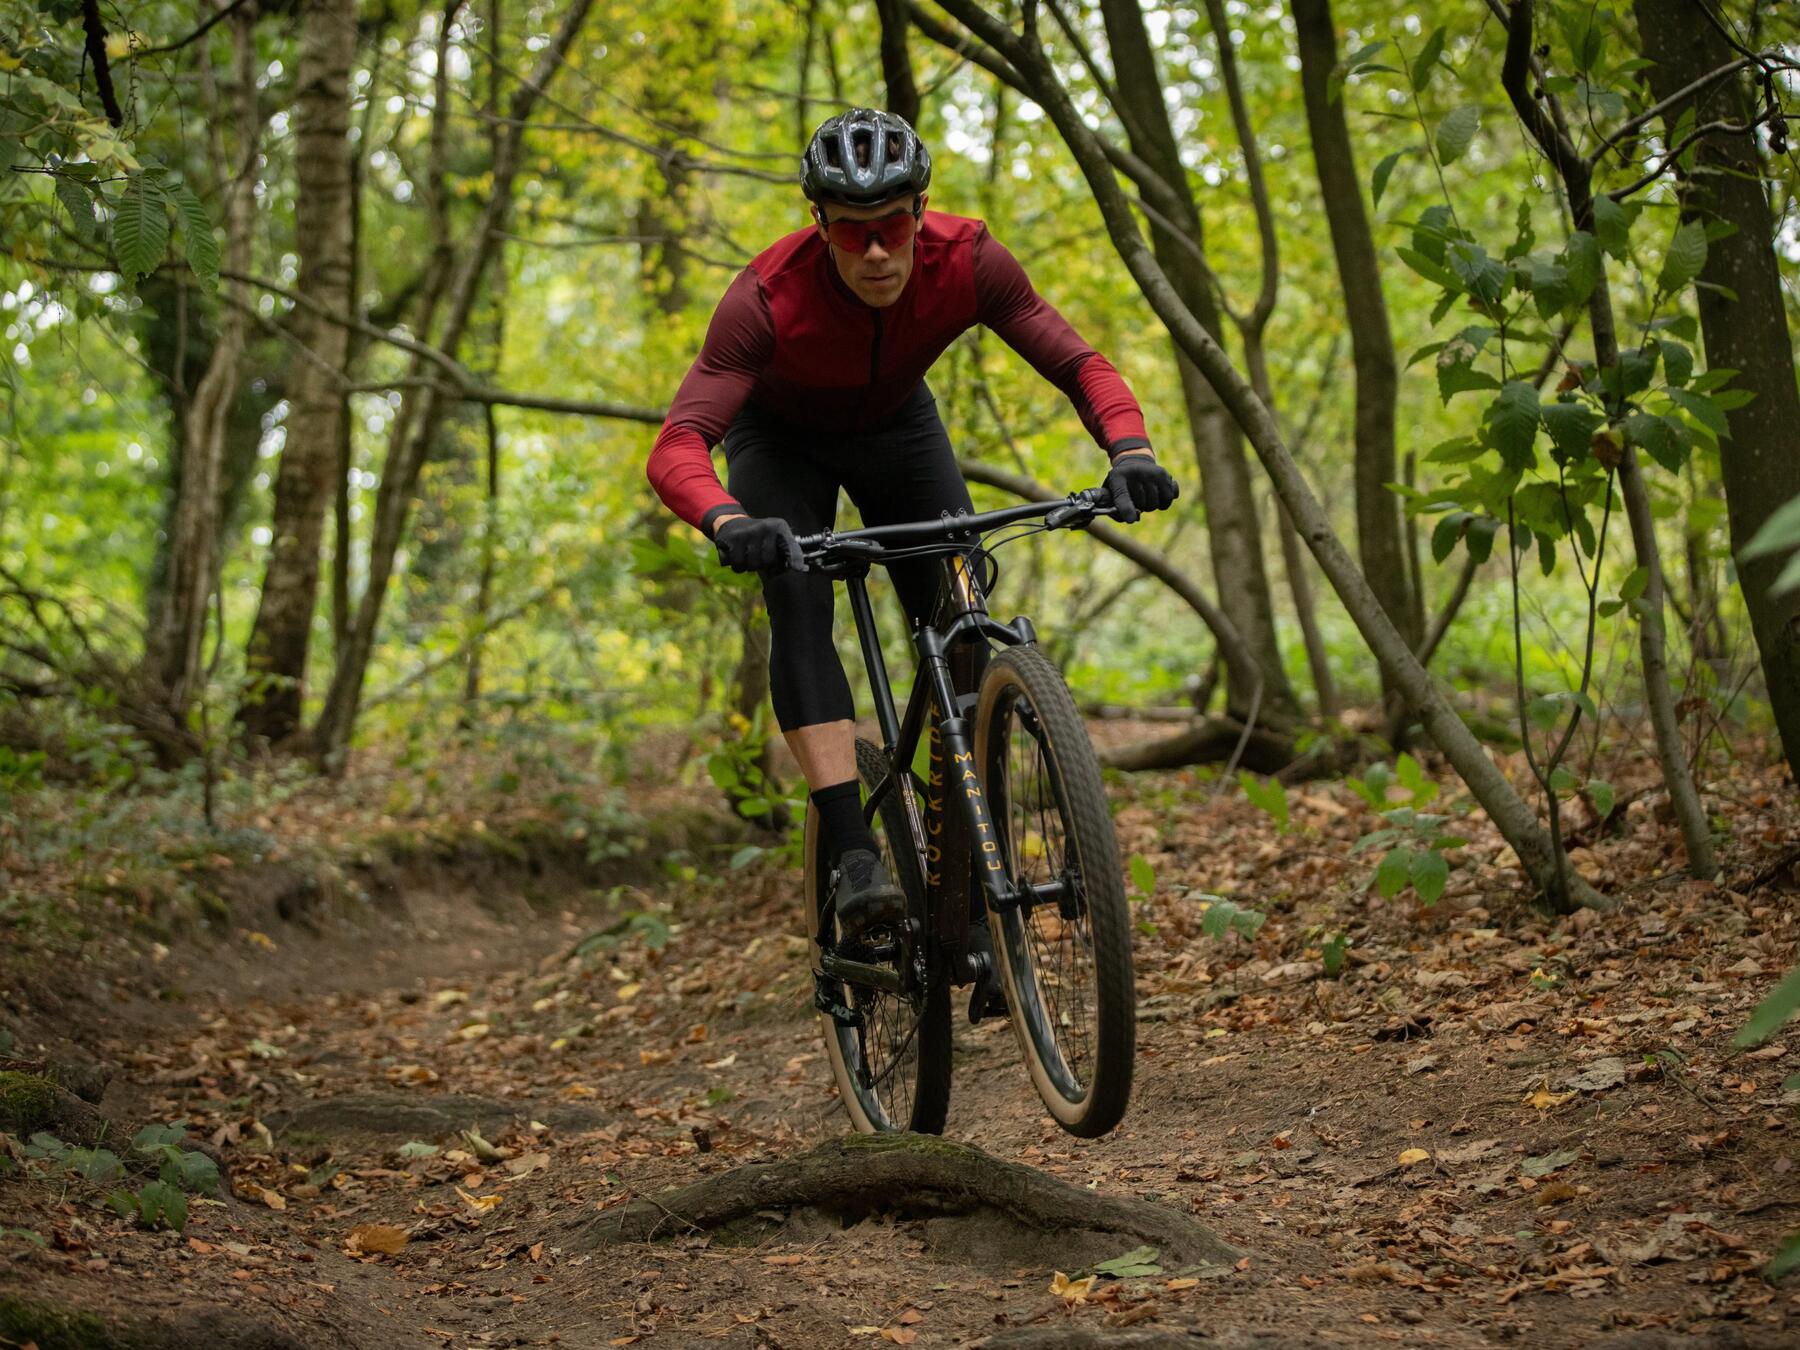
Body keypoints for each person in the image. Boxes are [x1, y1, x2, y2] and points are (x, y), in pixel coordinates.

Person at [646, 108, 1178, 941]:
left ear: (920, 211)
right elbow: (680, 442)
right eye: (852, 234)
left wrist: (1130, 450)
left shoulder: (969, 261)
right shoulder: (764, 298)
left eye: (893, 227)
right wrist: (725, 518)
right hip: (781, 442)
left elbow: (1078, 363)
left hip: (899, 431)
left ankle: (963, 858)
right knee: (795, 592)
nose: (877, 253)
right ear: (819, 225)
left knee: (961, 611)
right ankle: (853, 852)